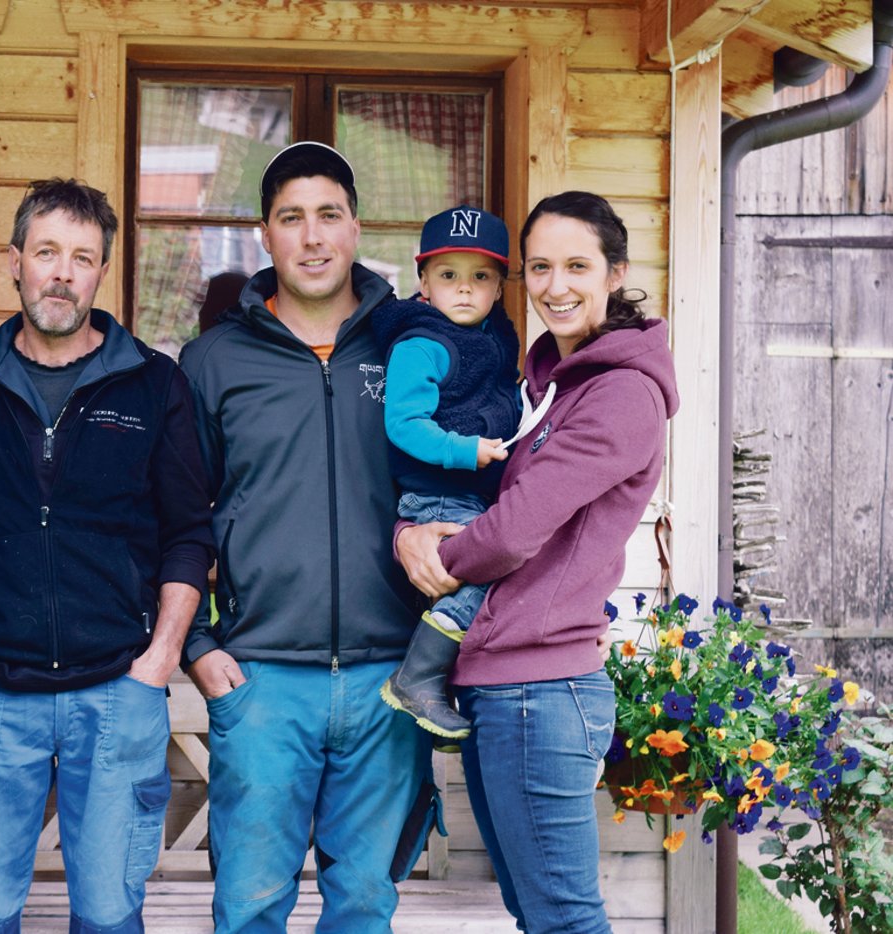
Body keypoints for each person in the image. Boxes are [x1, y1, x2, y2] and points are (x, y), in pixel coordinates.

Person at [397, 190, 680, 933]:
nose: (556, 285)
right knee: (536, 913)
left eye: (578, 265)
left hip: (542, 687)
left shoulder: (619, 393)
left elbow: (517, 527)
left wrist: (430, 548)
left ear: (615, 272)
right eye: (541, 267)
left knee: (561, 919)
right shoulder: (553, 384)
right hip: (506, 682)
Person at [0, 178, 215, 934]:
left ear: (102, 273)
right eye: (47, 252)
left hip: (116, 691)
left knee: (108, 913)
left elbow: (189, 532)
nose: (62, 272)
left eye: (82, 258)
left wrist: (158, 660)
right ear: (15, 261)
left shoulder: (154, 384)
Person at [179, 142, 438, 933]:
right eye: (293, 219)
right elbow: (177, 514)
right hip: (260, 682)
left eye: (329, 215)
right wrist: (197, 645)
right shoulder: (212, 362)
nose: (313, 236)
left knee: (364, 905)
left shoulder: (413, 349)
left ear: (356, 227)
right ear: (265, 234)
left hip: (389, 678)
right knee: (251, 906)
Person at [373, 205, 521, 741]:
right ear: (424, 282)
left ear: (500, 287)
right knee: (482, 576)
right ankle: (418, 678)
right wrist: (464, 450)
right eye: (448, 276)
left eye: (480, 277)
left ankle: (435, 693)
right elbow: (403, 423)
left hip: (468, 494)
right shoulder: (421, 343)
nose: (464, 289)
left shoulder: (493, 338)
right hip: (437, 497)